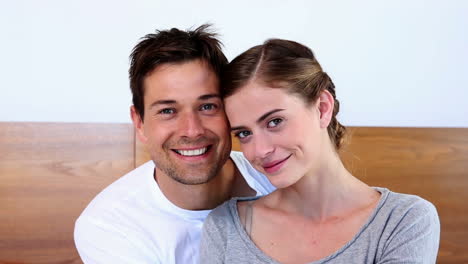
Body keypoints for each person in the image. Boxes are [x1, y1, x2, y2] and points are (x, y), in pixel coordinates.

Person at [200, 39, 440, 263]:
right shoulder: (226, 227)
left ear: (323, 108)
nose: (260, 150)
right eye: (244, 133)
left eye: (274, 122)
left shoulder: (402, 220)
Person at [73, 25, 275, 264]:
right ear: (139, 123)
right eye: (167, 110)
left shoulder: (279, 179)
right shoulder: (110, 227)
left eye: (208, 106)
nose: (192, 130)